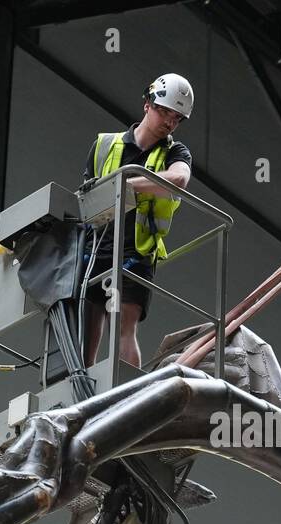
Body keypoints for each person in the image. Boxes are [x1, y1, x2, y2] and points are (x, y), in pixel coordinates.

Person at [81, 73, 194, 368]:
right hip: (97, 247)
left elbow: (179, 178)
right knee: (88, 328)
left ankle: (124, 397)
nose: (169, 122)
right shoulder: (105, 145)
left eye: (177, 118)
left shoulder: (174, 152)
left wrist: (127, 185)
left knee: (124, 329)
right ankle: (80, 391)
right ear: (147, 104)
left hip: (137, 252)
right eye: (164, 112)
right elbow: (86, 196)